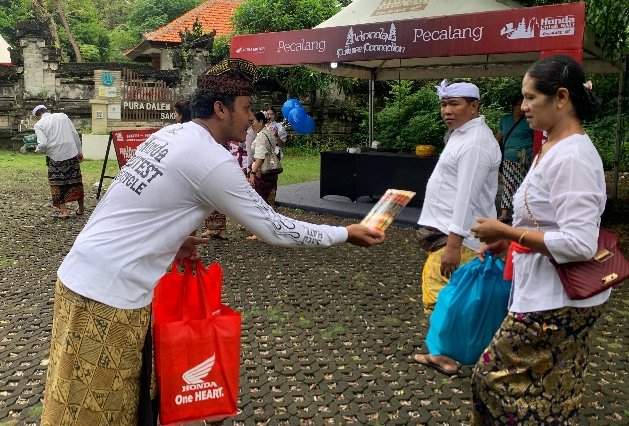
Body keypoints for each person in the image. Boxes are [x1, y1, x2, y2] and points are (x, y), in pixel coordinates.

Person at [40, 58, 385, 426]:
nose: (250, 117)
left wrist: (172, 239)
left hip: (80, 277)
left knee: (81, 399)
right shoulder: (212, 159)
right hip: (107, 297)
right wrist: (344, 233)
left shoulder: (168, 135)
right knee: (97, 413)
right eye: (246, 108)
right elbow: (274, 227)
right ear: (221, 109)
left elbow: (130, 204)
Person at [470, 55, 606, 425]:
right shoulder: (550, 145)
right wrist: (508, 242)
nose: (524, 106)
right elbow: (542, 217)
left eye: (531, 97)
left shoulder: (573, 157)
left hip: (556, 300)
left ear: (561, 97)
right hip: (549, 292)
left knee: (491, 379)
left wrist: (505, 232)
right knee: (555, 388)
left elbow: (579, 243)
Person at [412, 80, 500, 376]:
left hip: (458, 238)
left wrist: (453, 245)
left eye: (454, 104)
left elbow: (466, 198)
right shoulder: (463, 135)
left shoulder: (475, 143)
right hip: (451, 233)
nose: (447, 111)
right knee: (450, 295)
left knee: (440, 294)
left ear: (474, 106)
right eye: (443, 104)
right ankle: (449, 351)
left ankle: (446, 356)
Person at [33, 105, 85, 219]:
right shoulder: (63, 116)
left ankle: (63, 211)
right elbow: (75, 134)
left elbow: (43, 144)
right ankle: (81, 208)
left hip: (55, 156)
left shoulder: (39, 124)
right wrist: (79, 151)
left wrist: (37, 150)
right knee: (76, 181)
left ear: (37, 116)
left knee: (57, 183)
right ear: (47, 111)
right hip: (71, 153)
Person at [495, 94, 535, 224]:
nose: (523, 107)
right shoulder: (505, 119)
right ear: (513, 106)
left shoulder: (529, 120)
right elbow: (498, 137)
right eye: (520, 104)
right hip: (508, 158)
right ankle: (505, 213)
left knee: (523, 185)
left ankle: (523, 213)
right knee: (508, 185)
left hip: (525, 159)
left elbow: (537, 138)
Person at [246, 110, 280, 242]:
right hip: (271, 172)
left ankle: (260, 232)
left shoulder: (261, 136)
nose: (251, 125)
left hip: (262, 173)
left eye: (253, 122)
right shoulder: (269, 133)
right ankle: (270, 229)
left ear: (261, 122)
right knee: (267, 202)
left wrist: (252, 173)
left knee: (258, 202)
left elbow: (259, 157)